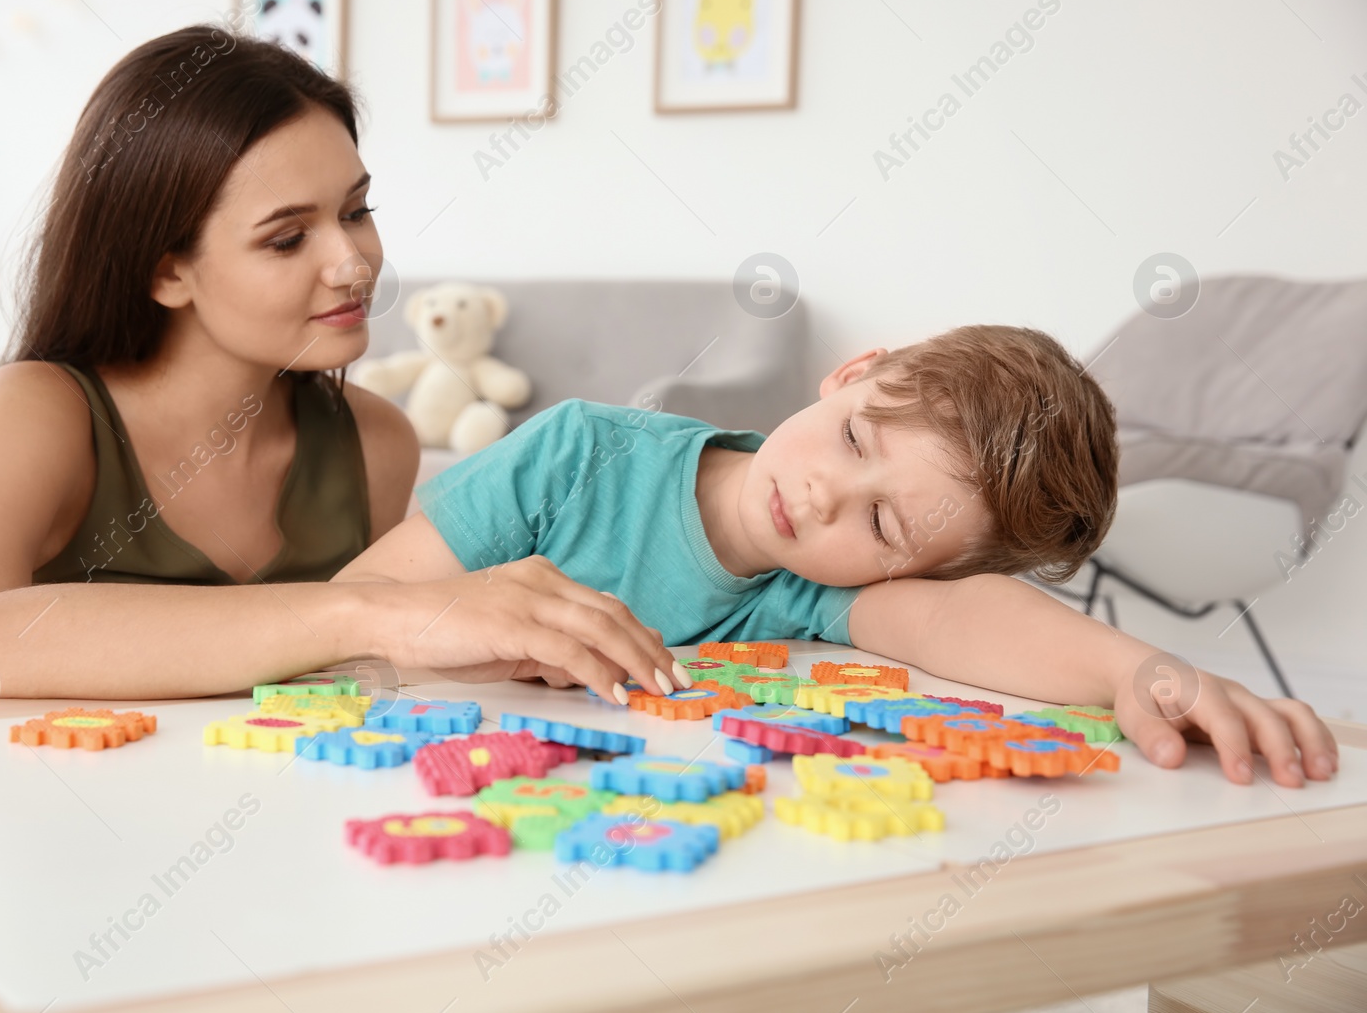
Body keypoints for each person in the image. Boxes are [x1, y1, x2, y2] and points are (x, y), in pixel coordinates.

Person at [0, 25, 680, 705]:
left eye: (357, 211)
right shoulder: (37, 411)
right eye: (288, 238)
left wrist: (472, 650)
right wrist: (366, 613)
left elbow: (326, 682)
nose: (353, 262)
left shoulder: (375, 441)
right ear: (166, 272)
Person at [334, 327, 1340, 788]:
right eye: (857, 439)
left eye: (883, 527)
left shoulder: (811, 589)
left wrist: (1139, 669)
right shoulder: (578, 453)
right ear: (855, 372)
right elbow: (349, 607)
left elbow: (965, 619)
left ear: (903, 571)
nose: (822, 497)